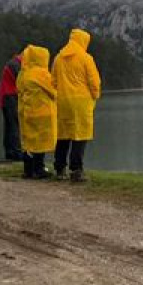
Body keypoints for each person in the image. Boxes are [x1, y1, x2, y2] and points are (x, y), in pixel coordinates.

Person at [52, 28, 102, 182]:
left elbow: (53, 82)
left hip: (62, 102)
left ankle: (60, 169)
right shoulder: (86, 58)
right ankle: (76, 170)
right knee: (80, 137)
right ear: (83, 41)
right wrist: (95, 96)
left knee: (63, 136)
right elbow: (94, 82)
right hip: (81, 102)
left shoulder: (58, 59)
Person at [16, 44, 57, 179]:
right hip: (41, 112)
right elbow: (54, 91)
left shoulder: (23, 74)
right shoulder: (41, 74)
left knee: (29, 143)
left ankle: (28, 170)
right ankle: (39, 169)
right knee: (40, 143)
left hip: (26, 112)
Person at [0, 54, 23, 160]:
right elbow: (22, 81)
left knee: (9, 126)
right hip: (10, 96)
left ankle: (10, 152)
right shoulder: (16, 65)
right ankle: (16, 152)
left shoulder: (12, 63)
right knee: (14, 125)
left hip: (6, 96)